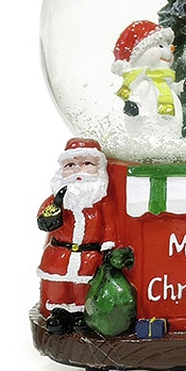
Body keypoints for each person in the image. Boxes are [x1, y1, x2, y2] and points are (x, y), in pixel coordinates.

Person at [36, 138, 122, 334]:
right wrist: (53, 211)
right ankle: (59, 313)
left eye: (87, 164)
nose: (78, 170)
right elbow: (44, 217)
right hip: (59, 253)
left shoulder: (101, 201)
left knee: (82, 286)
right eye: (71, 165)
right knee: (58, 285)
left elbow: (109, 225)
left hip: (88, 255)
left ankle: (80, 314)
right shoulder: (57, 199)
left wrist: (108, 246)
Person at [111, 21, 178, 129]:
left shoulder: (166, 81)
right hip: (147, 130)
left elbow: (176, 89)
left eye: (169, 47)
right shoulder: (142, 83)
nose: (168, 52)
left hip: (172, 133)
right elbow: (136, 96)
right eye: (161, 46)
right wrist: (133, 107)